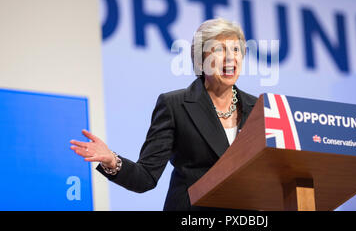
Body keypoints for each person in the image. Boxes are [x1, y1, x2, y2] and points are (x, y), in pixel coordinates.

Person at [70, 18, 257, 210]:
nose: (230, 58)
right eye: (219, 50)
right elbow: (145, 177)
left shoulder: (258, 108)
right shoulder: (175, 106)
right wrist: (112, 160)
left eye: (236, 50)